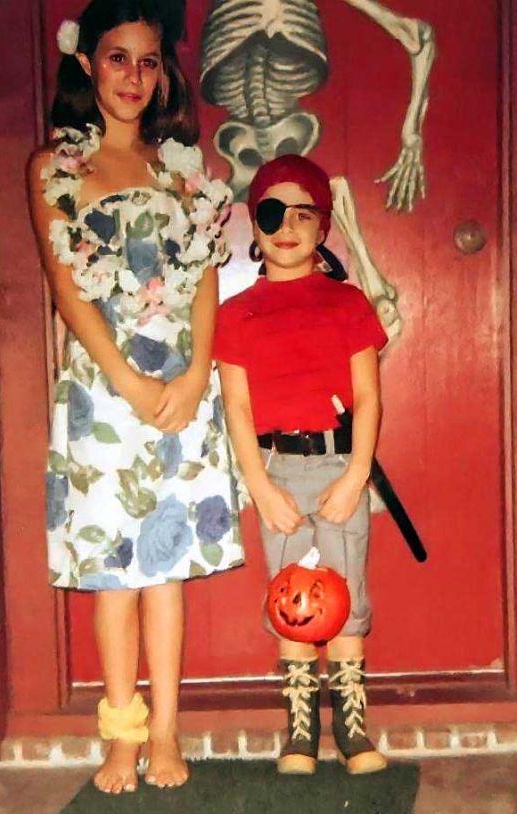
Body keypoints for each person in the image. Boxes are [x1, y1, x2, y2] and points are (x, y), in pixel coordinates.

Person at [26, 0, 244, 795]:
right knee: (115, 572)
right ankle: (120, 734)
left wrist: (194, 377)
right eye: (117, 58)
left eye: (147, 62)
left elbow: (206, 281)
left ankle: (166, 732)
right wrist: (128, 382)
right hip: (106, 388)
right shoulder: (56, 166)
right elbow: (66, 289)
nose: (132, 77)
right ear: (87, 63)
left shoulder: (179, 170)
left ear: (162, 74)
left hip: (180, 389)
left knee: (165, 568)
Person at [214, 154, 388, 776]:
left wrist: (356, 477)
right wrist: (260, 488)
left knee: (346, 595)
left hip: (340, 470)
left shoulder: (347, 304)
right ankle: (300, 730)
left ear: (322, 226)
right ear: (254, 225)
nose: (286, 227)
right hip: (278, 474)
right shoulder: (236, 313)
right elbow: (236, 406)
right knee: (291, 596)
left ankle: (352, 729)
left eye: (302, 214)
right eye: (271, 213)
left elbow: (367, 397)